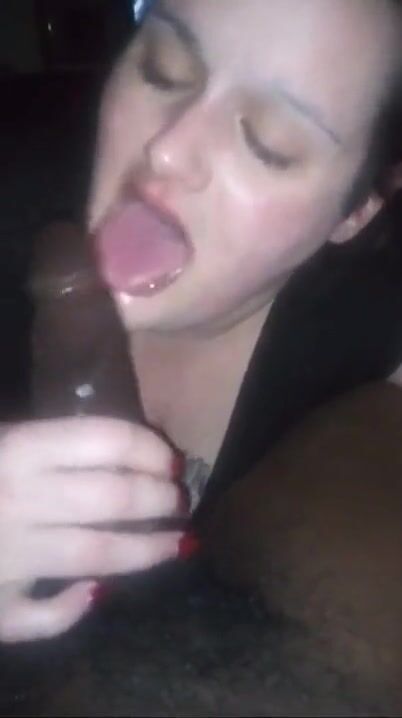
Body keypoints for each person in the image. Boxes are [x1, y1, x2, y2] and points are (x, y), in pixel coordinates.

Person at [0, 0, 401, 664]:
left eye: (269, 144)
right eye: (162, 67)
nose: (168, 148)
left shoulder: (367, 353)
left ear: (356, 209)